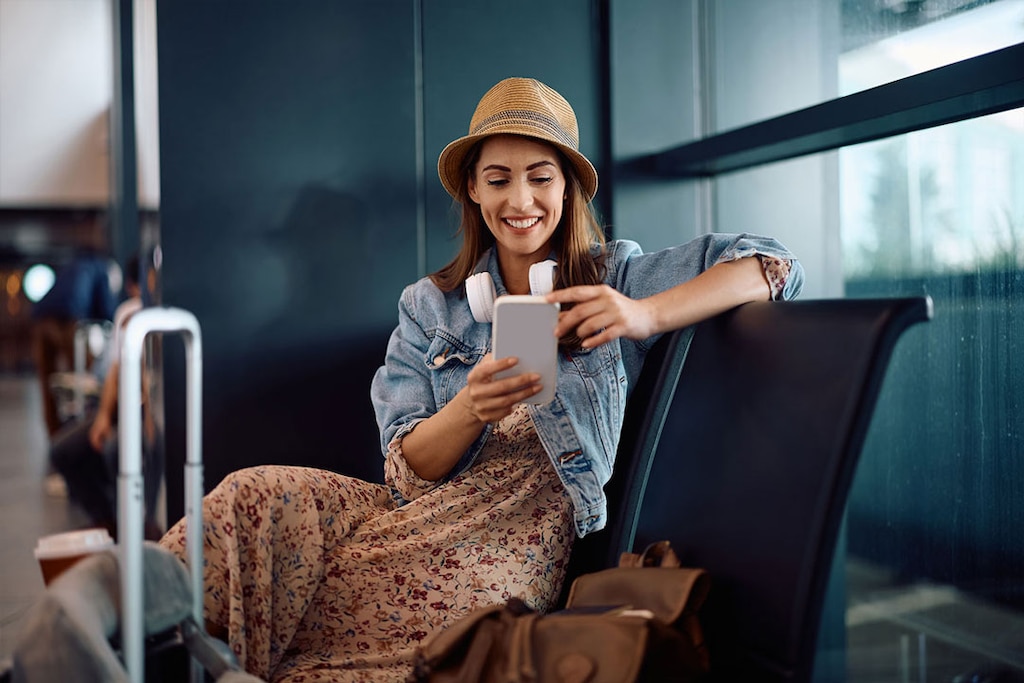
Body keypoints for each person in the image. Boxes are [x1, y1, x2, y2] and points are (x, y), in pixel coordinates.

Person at [158, 76, 804, 682]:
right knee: (251, 497)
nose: (519, 201)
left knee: (409, 634)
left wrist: (642, 313)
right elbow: (407, 471)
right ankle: (115, 624)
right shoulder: (430, 306)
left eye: (539, 178)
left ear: (567, 189)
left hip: (511, 545)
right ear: (473, 188)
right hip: (414, 514)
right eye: (498, 180)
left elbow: (774, 264)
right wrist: (471, 407)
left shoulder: (614, 277)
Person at [48, 254, 163, 541]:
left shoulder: (165, 315)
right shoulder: (128, 313)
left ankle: (141, 530)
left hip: (150, 410)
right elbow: (115, 368)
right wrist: (102, 416)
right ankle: (108, 519)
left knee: (117, 449)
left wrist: (148, 416)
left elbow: (155, 378)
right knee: (63, 451)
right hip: (123, 406)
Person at [31, 225, 117, 438]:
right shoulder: (100, 267)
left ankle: (55, 434)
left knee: (47, 380)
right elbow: (105, 310)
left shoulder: (71, 264)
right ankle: (86, 428)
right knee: (89, 376)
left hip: (40, 319)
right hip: (67, 320)